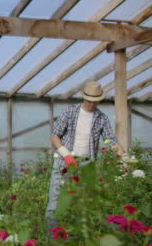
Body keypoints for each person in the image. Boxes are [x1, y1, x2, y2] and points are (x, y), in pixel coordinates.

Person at [45, 81, 124, 230]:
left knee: (84, 205)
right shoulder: (70, 112)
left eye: (95, 101)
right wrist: (66, 155)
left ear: (99, 100)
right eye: (89, 101)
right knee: (54, 204)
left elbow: (111, 140)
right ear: (84, 97)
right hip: (64, 164)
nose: (91, 104)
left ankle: (79, 240)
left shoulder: (101, 118)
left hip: (87, 167)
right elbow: (54, 136)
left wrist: (122, 154)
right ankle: (50, 243)